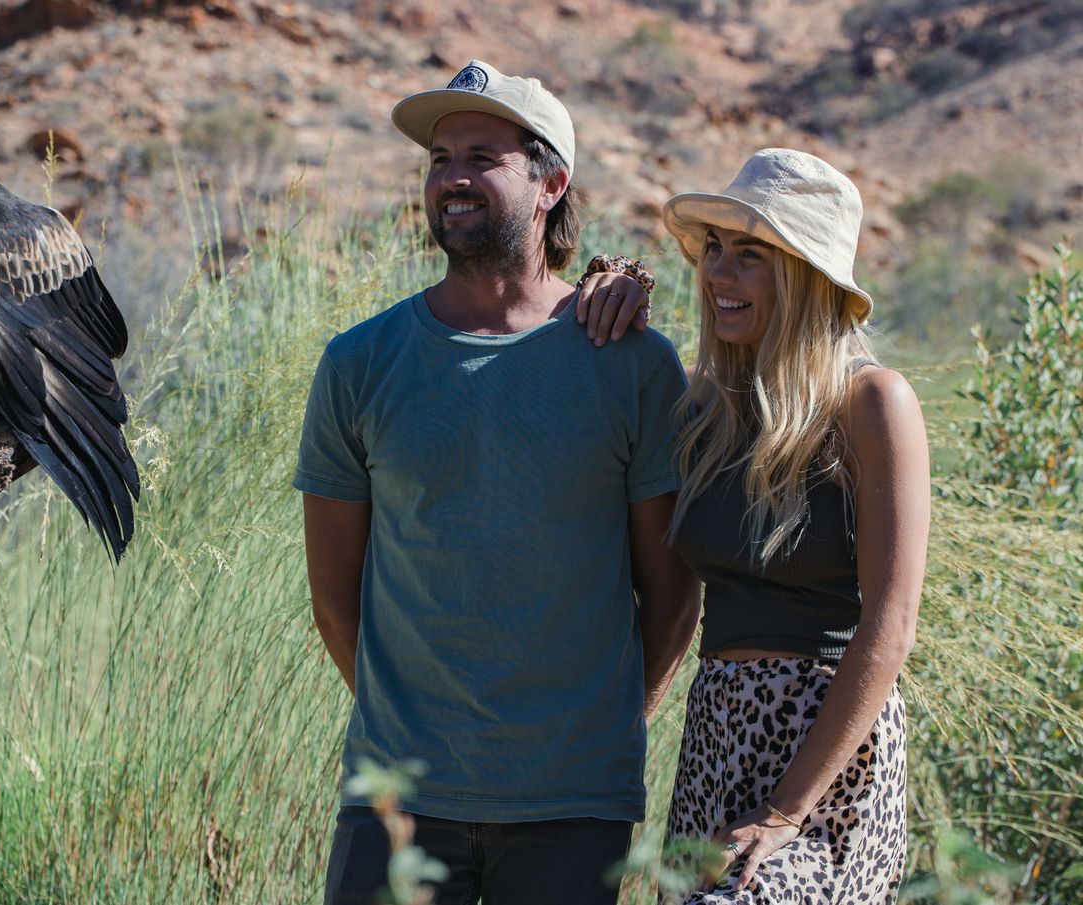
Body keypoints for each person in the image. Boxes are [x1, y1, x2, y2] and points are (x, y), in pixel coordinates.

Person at [294, 60, 701, 904]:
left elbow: (671, 592)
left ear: (552, 182)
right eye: (440, 159)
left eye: (482, 158)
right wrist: (412, 733)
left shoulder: (632, 364)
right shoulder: (358, 362)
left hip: (572, 803)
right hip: (398, 796)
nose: (453, 178)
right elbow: (334, 593)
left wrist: (606, 732)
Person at [653, 149, 929, 899]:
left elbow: (892, 624)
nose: (718, 273)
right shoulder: (702, 408)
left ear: (808, 277)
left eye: (752, 255)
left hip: (828, 757)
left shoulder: (872, 403)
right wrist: (613, 284)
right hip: (714, 738)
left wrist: (785, 810)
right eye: (714, 249)